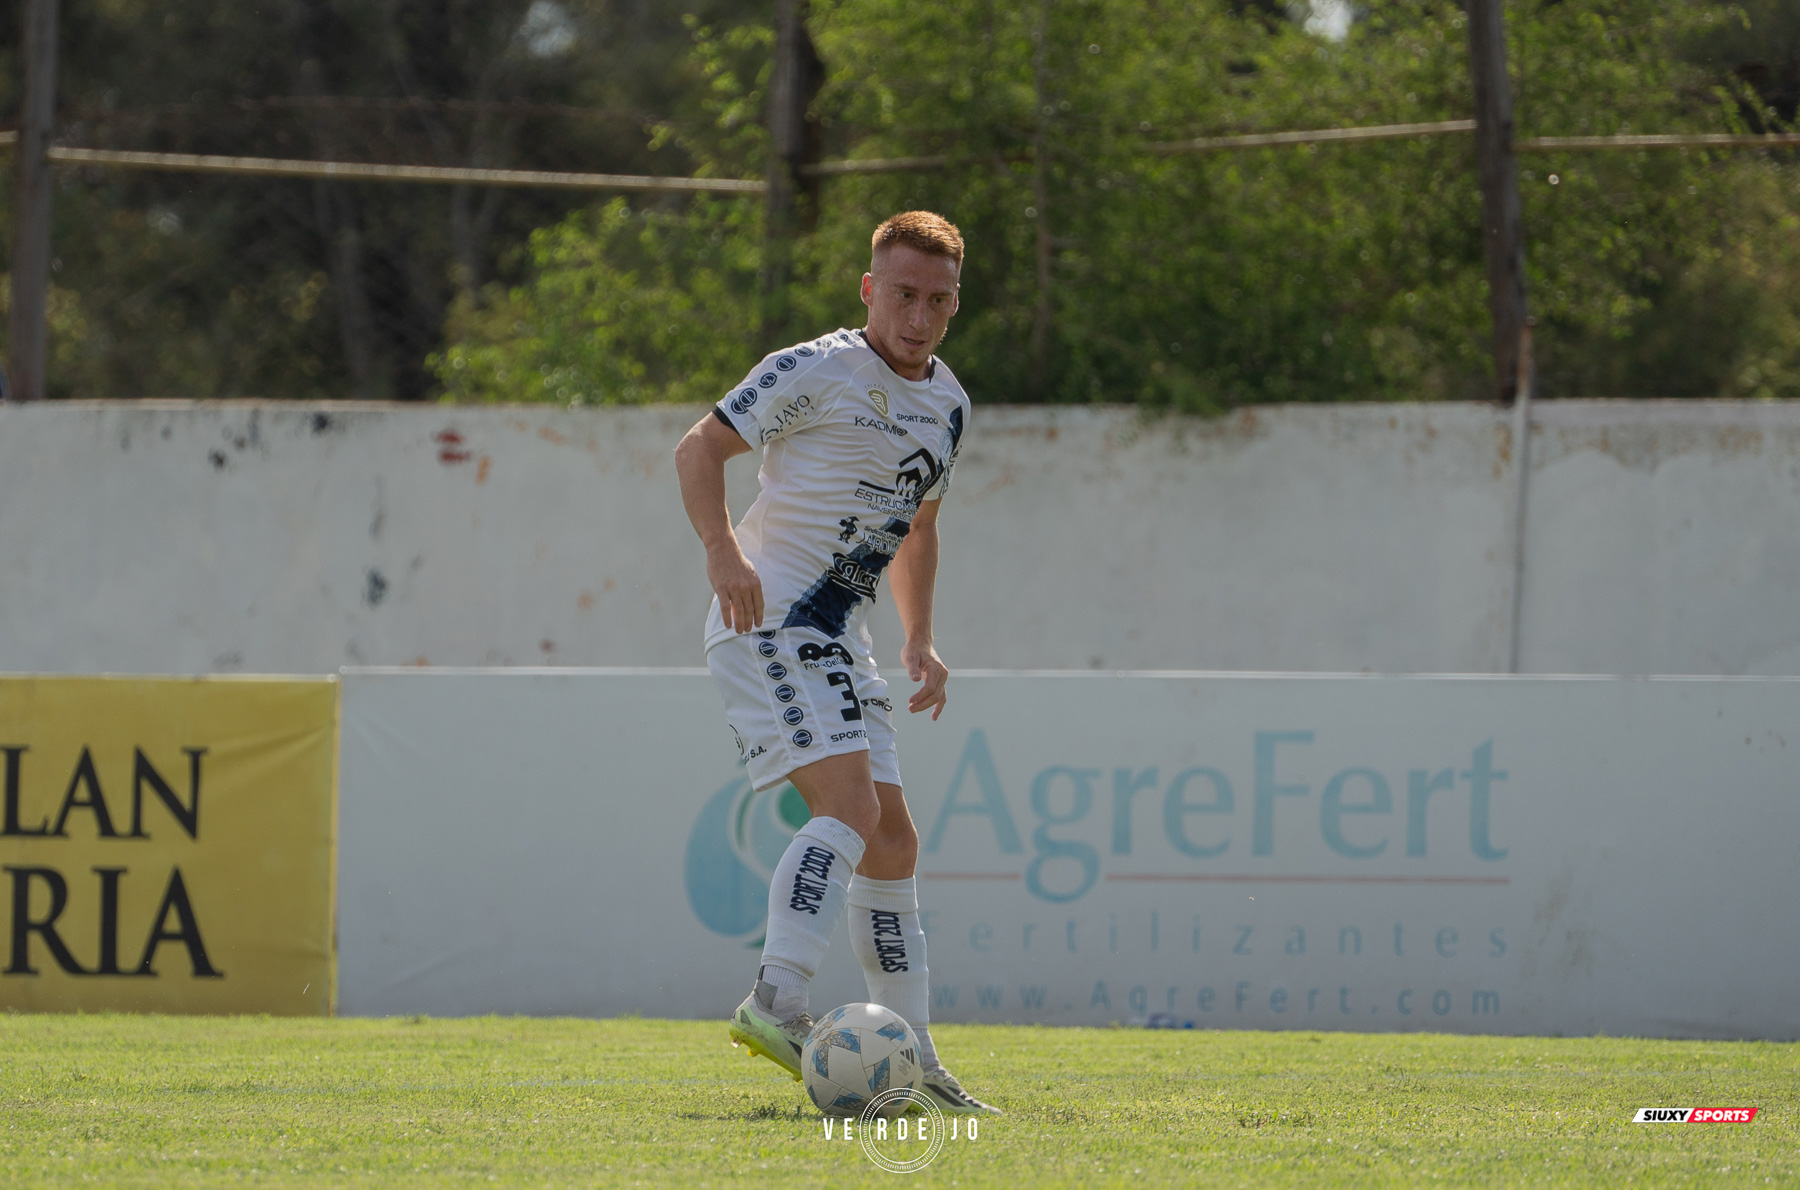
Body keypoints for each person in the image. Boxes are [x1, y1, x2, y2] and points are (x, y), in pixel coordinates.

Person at [673, 210, 998, 1115]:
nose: (919, 317)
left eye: (938, 300)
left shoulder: (950, 404)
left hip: (839, 636)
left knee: (892, 840)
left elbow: (920, 529)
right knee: (851, 810)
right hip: (768, 617)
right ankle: (776, 1000)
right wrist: (722, 553)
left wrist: (919, 637)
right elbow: (699, 448)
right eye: (903, 294)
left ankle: (916, 1059)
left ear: (956, 304)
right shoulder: (815, 368)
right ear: (869, 290)